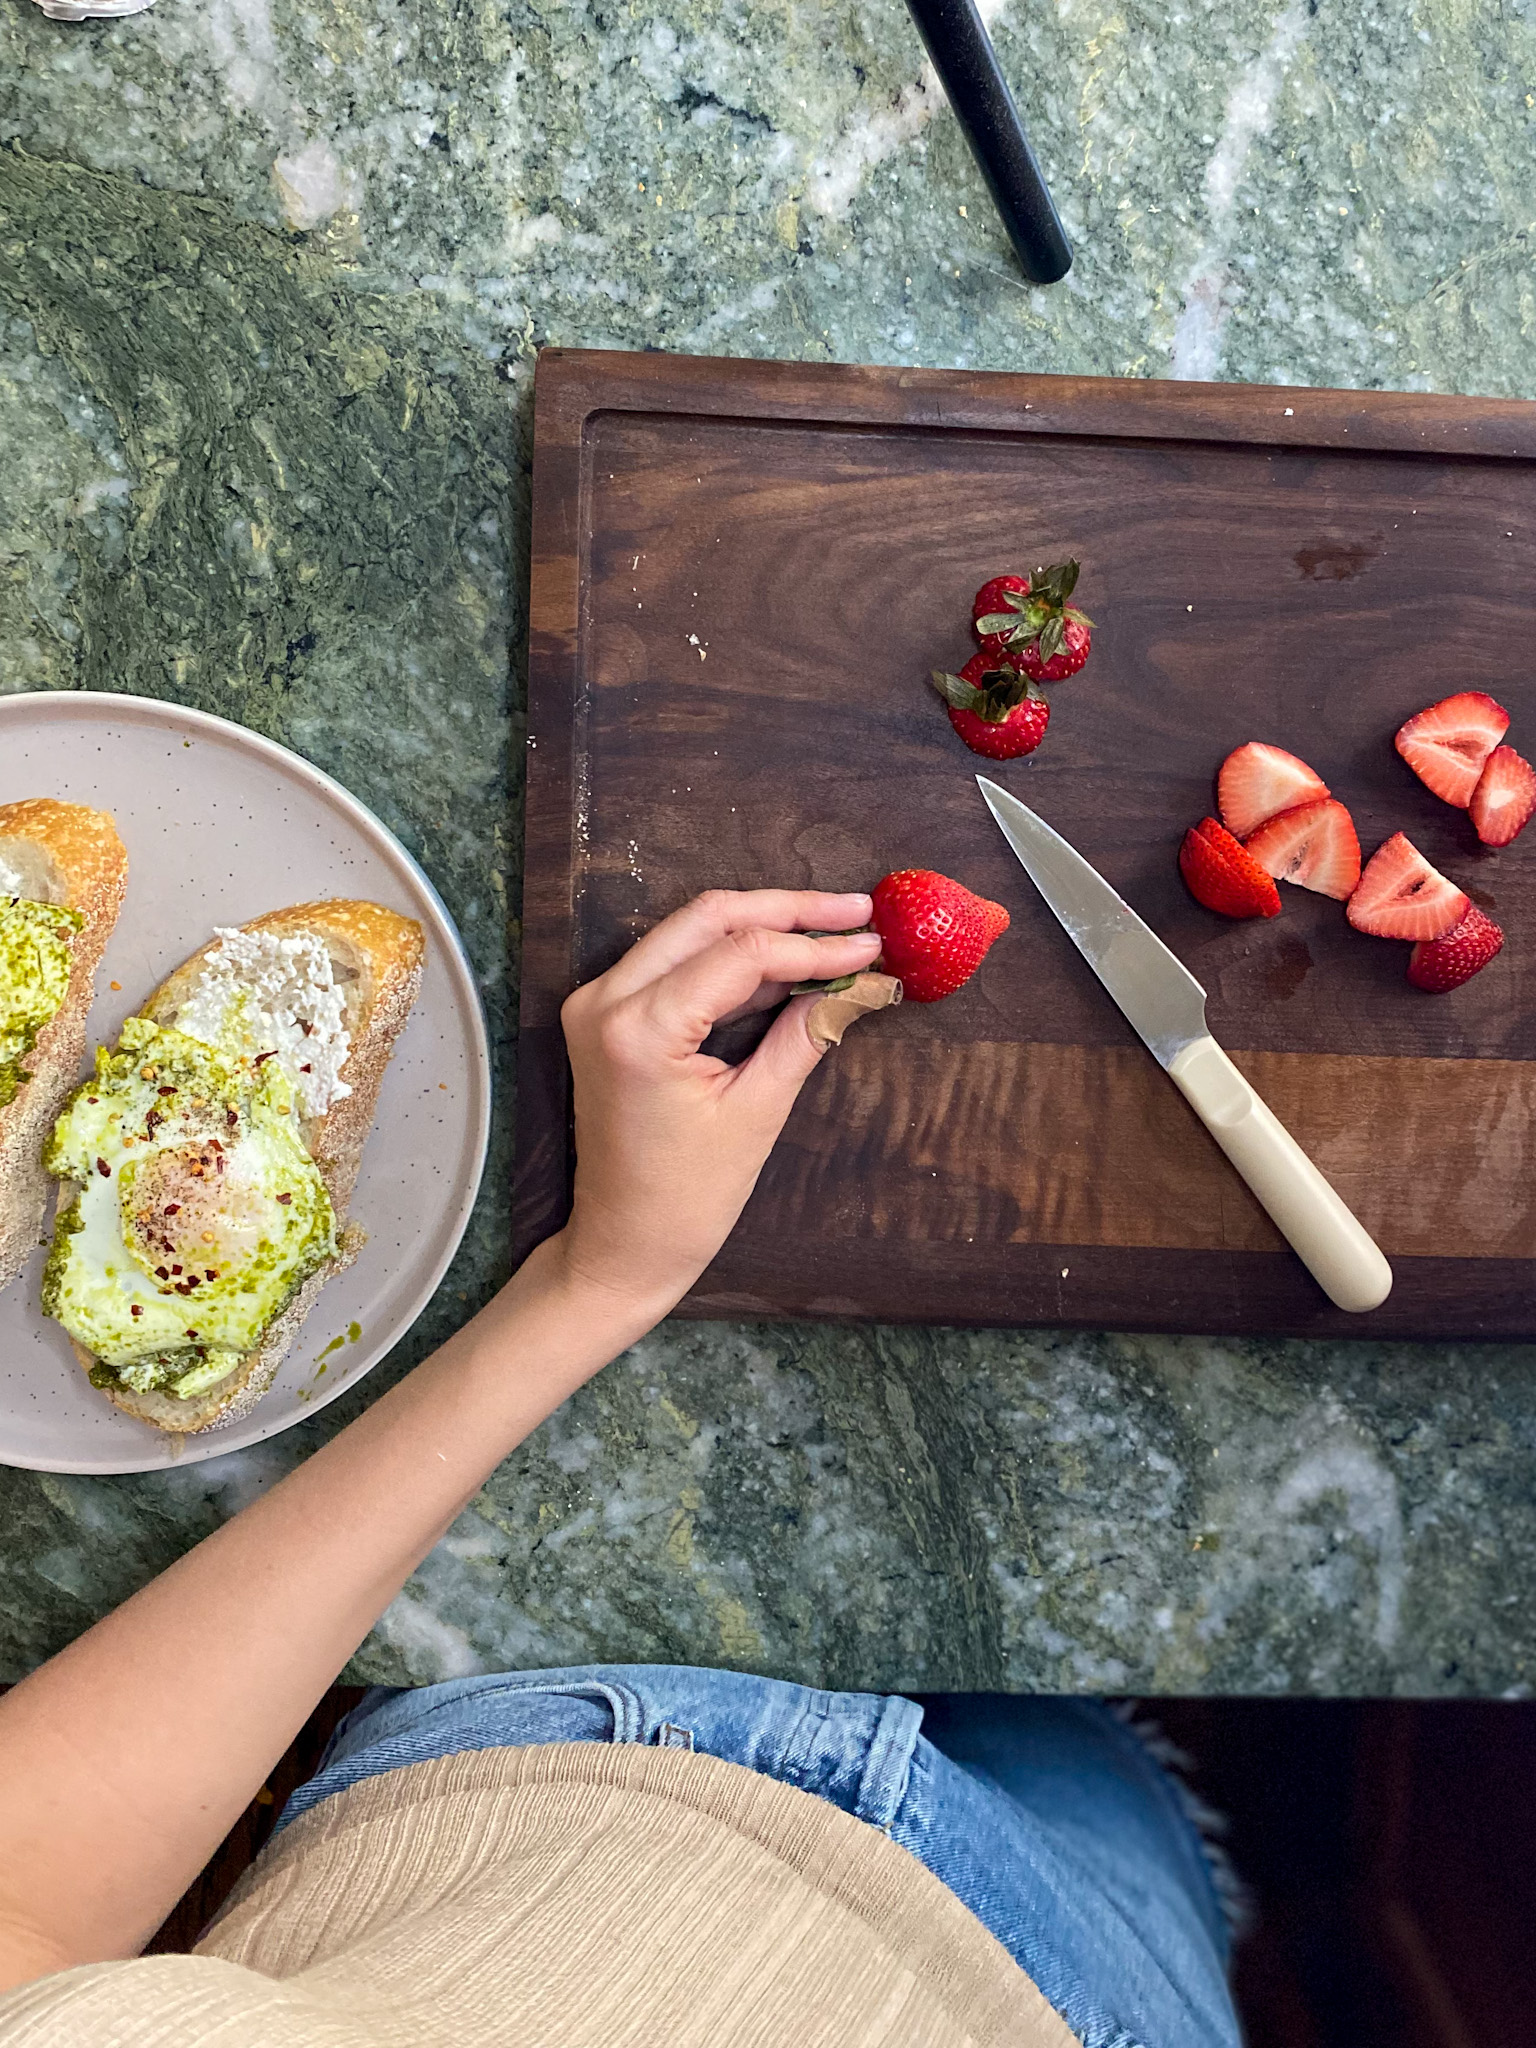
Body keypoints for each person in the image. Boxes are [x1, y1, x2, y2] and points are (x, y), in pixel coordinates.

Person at [0, 889, 1242, 2048]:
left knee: (1091, 1745)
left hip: (514, 1753)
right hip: (1049, 1971)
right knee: (1107, 1764)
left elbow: (28, 1900)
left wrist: (600, 1281)